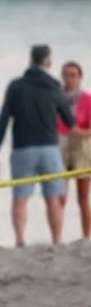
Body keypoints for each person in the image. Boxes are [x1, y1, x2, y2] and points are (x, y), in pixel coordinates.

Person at [0, 45, 75, 246]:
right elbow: (69, 121)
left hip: (22, 148)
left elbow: (3, 120)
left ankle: (20, 240)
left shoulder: (16, 86)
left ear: (31, 59)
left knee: (20, 197)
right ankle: (57, 240)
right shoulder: (54, 85)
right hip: (49, 148)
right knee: (53, 198)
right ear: (48, 61)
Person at [59, 61, 91, 239]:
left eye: (72, 75)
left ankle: (86, 236)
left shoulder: (87, 99)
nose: (68, 79)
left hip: (82, 146)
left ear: (80, 77)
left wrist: (81, 132)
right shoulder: (57, 97)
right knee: (59, 196)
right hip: (62, 144)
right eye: (65, 75)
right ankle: (58, 236)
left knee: (83, 198)